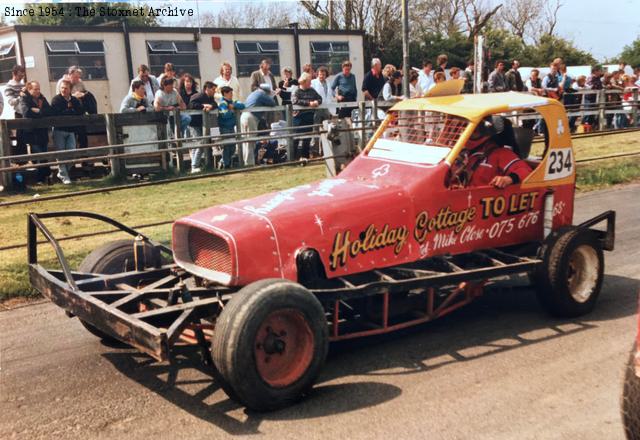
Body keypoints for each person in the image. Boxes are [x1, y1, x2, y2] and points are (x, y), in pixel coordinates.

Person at [451, 116, 531, 189]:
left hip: (482, 200)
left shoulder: (501, 153)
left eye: (474, 131)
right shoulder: (461, 153)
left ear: (485, 133)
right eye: (465, 130)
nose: (467, 135)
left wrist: (508, 179)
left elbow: (526, 171)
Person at [18, 81, 52, 185]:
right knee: (40, 155)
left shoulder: (42, 98)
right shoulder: (24, 98)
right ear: (29, 90)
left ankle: (44, 178)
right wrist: (39, 112)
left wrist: (38, 111)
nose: (38, 91)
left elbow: (49, 110)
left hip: (42, 132)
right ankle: (43, 178)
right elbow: (26, 112)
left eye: (38, 89)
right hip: (32, 133)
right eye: (35, 89)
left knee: (44, 156)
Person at [51, 80, 83, 184]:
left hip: (71, 130)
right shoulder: (56, 99)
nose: (64, 90)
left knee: (72, 152)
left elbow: (80, 112)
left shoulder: (74, 100)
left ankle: (62, 172)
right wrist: (70, 111)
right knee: (61, 154)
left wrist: (69, 111)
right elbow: (57, 113)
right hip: (59, 130)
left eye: (66, 88)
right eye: (62, 88)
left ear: (70, 89)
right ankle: (64, 176)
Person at [241, 84, 276, 166]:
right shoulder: (262, 94)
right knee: (251, 141)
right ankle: (250, 164)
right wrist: (272, 95)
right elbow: (273, 103)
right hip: (251, 117)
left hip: (243, 116)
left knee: (245, 141)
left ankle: (245, 162)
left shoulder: (254, 93)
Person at [188, 81, 218, 173]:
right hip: (194, 124)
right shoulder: (199, 96)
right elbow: (191, 104)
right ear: (207, 89)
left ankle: (195, 165)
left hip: (202, 124)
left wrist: (210, 107)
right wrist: (203, 106)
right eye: (213, 89)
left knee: (199, 144)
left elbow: (215, 104)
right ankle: (194, 166)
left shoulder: (210, 97)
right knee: (200, 144)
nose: (214, 91)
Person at [292, 72, 323, 159]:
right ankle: (294, 158)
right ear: (304, 81)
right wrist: (309, 103)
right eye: (309, 81)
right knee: (296, 138)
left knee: (307, 138)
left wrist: (317, 102)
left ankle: (305, 157)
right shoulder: (297, 91)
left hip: (309, 117)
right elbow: (295, 101)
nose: (310, 83)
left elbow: (320, 98)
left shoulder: (312, 90)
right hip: (299, 118)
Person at [218, 86, 246, 169]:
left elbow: (242, 105)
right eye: (230, 93)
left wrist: (233, 106)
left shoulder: (232, 102)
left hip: (231, 127)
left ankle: (225, 162)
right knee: (227, 147)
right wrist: (232, 111)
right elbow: (225, 115)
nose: (232, 95)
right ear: (225, 93)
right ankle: (226, 164)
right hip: (224, 128)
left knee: (233, 146)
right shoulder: (222, 103)